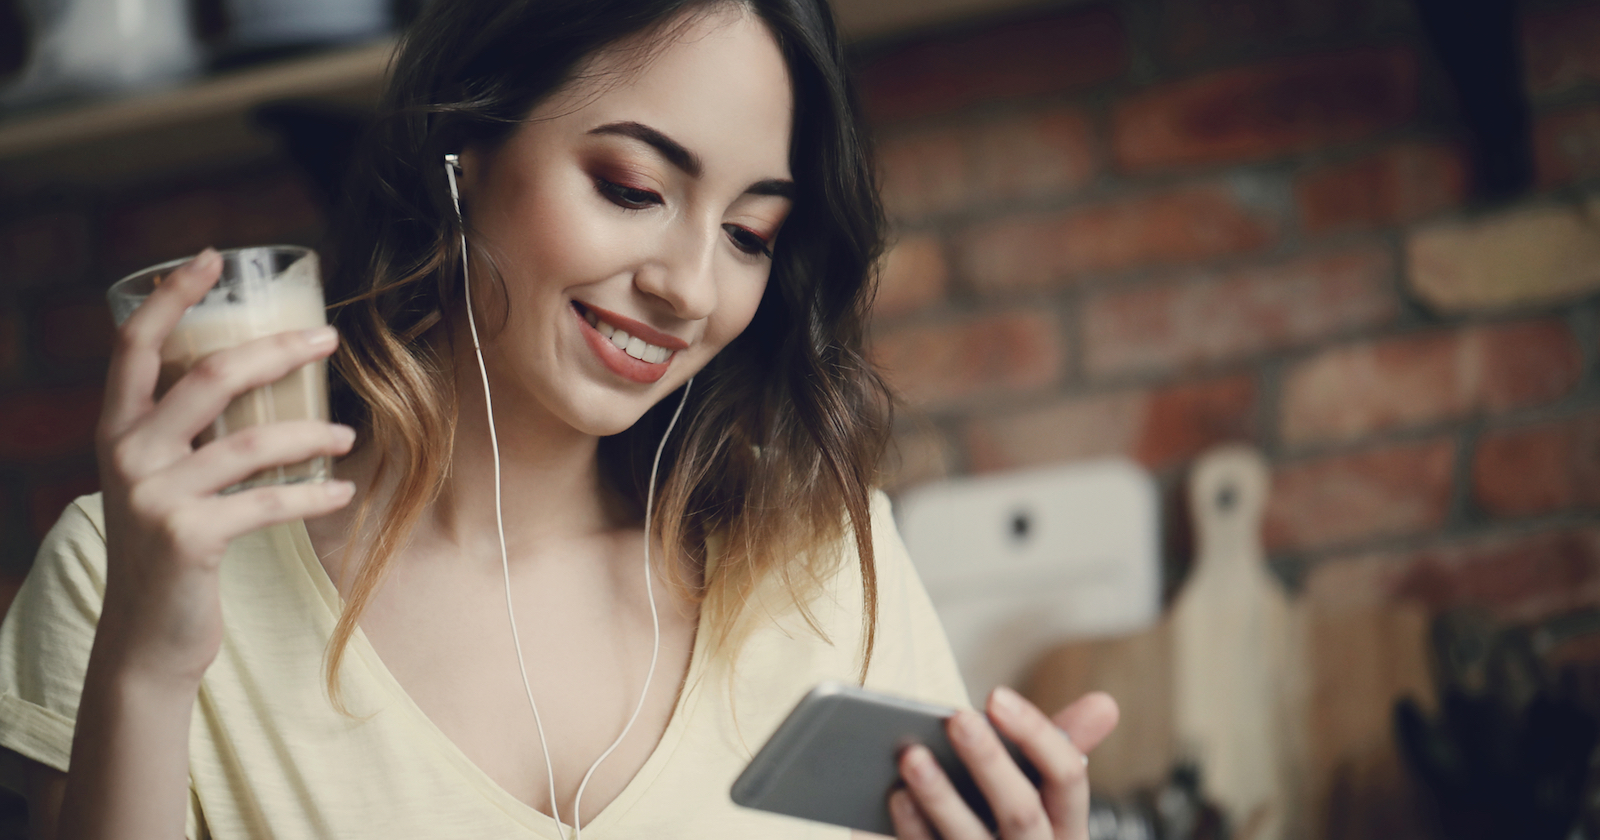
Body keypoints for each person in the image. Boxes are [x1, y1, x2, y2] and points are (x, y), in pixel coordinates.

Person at [0, 1, 1120, 838]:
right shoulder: (131, 574)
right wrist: (147, 670)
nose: (689, 285)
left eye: (750, 234)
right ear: (462, 156)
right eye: (633, 188)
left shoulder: (828, 560)